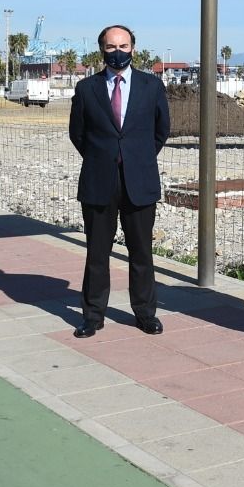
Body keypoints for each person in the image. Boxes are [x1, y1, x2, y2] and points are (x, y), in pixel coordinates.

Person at [68, 25, 172, 338]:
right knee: (97, 253)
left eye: (123, 46)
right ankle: (93, 315)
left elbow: (160, 130)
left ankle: (145, 313)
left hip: (139, 182)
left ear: (133, 48)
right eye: (111, 47)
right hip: (99, 182)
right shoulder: (87, 88)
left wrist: (135, 158)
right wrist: (105, 156)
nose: (118, 52)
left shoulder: (151, 86)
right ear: (102, 50)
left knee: (141, 252)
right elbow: (78, 134)